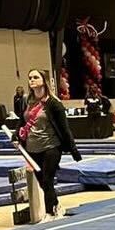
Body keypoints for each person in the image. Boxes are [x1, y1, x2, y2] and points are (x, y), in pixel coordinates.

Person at [13, 69, 81, 221]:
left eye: (35, 77)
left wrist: (74, 150)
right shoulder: (28, 100)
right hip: (32, 148)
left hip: (51, 147)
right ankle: (56, 205)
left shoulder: (53, 103)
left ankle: (49, 213)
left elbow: (65, 128)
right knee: (43, 182)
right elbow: (21, 121)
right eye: (30, 77)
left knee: (47, 179)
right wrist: (15, 135)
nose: (32, 80)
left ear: (43, 80)